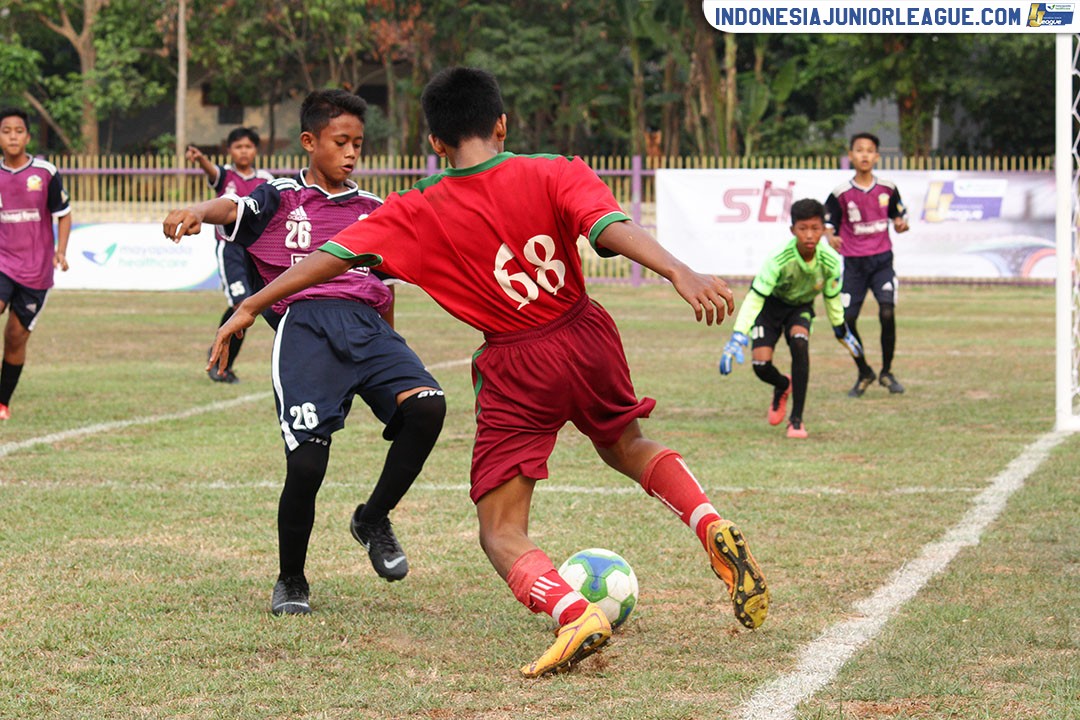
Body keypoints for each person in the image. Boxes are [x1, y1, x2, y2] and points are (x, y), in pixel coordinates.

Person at [205, 67, 769, 677]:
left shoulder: (415, 208)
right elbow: (610, 227)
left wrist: (253, 303)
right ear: (501, 124)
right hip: (586, 333)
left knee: (500, 530)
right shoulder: (556, 168)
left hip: (516, 361)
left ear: (435, 144)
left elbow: (327, 259)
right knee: (627, 443)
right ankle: (707, 520)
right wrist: (679, 271)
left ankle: (573, 611)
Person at [164, 90, 446, 616]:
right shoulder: (280, 197)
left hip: (368, 330)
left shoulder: (372, 210)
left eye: (358, 144)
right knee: (308, 464)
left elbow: (387, 284)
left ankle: (372, 517)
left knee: (428, 404)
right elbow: (233, 207)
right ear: (310, 142)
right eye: (341, 142)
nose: (351, 153)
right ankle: (291, 579)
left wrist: (390, 340)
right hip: (306, 331)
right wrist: (199, 211)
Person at [719, 198, 863, 438]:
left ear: (823, 229)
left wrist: (841, 330)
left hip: (800, 308)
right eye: (802, 229)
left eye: (815, 229)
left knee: (799, 341)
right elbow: (755, 297)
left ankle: (796, 420)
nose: (809, 235)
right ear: (792, 230)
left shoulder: (830, 262)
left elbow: (832, 298)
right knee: (761, 367)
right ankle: (782, 385)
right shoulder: (778, 259)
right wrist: (738, 334)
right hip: (770, 308)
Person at [824, 131, 910, 397]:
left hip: (882, 261)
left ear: (877, 156)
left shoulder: (888, 188)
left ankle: (887, 372)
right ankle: (864, 371)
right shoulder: (841, 193)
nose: (864, 154)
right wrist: (830, 236)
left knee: (887, 312)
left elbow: (901, 217)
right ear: (850, 156)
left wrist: (901, 224)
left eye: (869, 150)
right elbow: (828, 225)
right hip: (854, 265)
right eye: (859, 150)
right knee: (846, 321)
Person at [186, 128, 275, 383]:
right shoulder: (225, 175)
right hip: (231, 248)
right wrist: (202, 159)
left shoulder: (266, 180)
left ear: (256, 150)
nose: (243, 151)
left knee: (249, 308)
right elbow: (211, 172)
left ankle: (222, 360)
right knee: (241, 305)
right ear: (230, 151)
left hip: (257, 250)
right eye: (238, 147)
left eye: (248, 146)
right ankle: (219, 362)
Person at [0, 107, 72, 421]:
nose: (12, 136)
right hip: (2, 262)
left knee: (15, 337)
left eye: (18, 130)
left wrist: (60, 251)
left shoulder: (45, 173)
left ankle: (2, 402)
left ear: (27, 137)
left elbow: (64, 213)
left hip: (36, 270)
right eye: (6, 131)